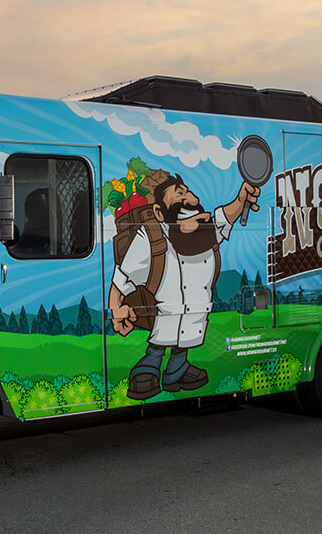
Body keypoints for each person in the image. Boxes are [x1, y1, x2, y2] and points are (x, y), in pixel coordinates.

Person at [108, 170, 260, 400]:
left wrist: (241, 199)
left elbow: (226, 216)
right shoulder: (151, 236)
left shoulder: (205, 231)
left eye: (188, 193)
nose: (190, 199)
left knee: (185, 340)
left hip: (196, 312)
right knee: (161, 341)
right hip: (165, 312)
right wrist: (116, 308)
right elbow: (122, 278)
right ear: (159, 211)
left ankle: (176, 371)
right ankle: (148, 367)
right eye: (179, 194)